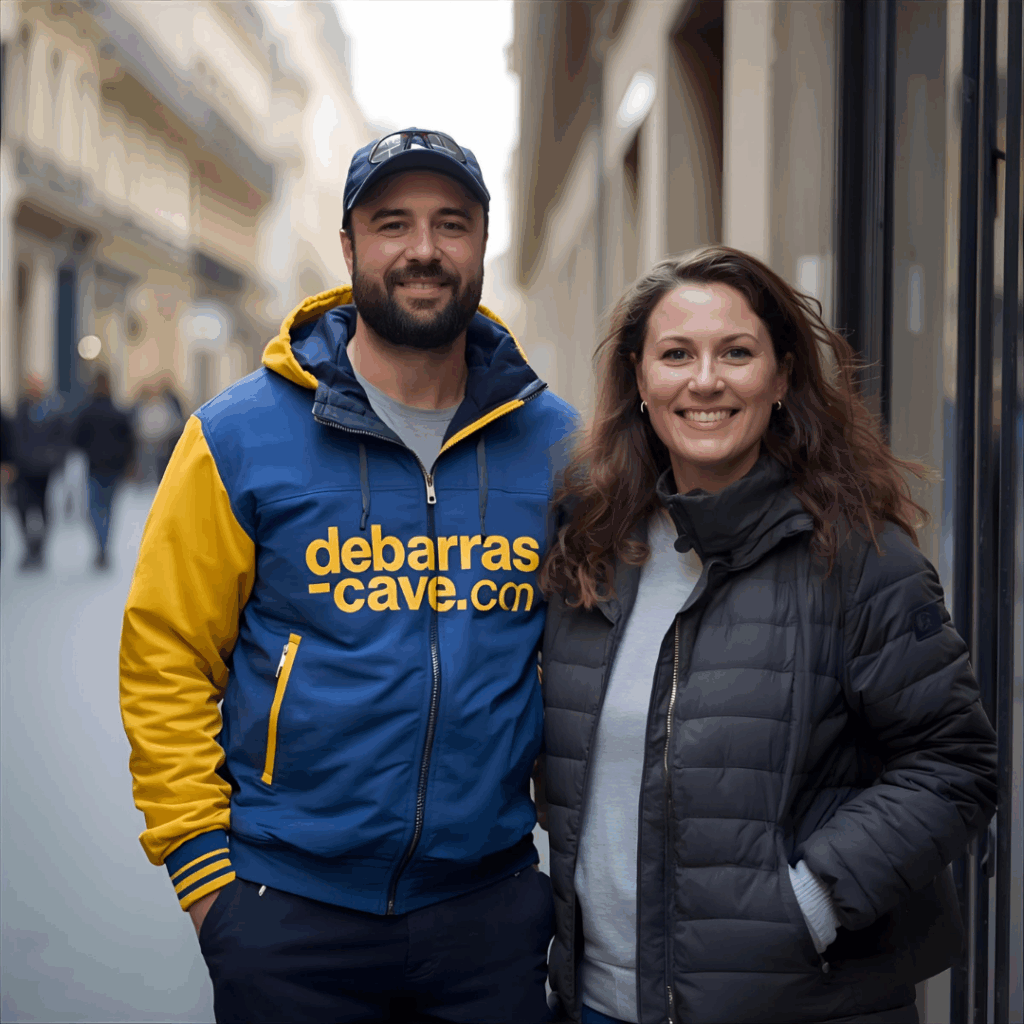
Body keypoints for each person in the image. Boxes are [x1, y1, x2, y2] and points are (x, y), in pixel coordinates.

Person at [120, 128, 575, 1024]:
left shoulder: (557, 445)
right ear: (349, 248)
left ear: (483, 242)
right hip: (287, 915)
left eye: (451, 224)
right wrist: (208, 883)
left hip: (487, 915)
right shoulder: (237, 435)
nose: (423, 250)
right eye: (392, 223)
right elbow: (167, 656)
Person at [538, 246, 998, 1024]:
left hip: (796, 1002)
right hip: (599, 1004)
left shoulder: (859, 558)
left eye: (737, 353)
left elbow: (955, 765)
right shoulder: (593, 550)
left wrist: (808, 904)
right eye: (676, 354)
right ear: (639, 382)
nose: (706, 380)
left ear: (782, 377)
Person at [73, 372, 135, 569]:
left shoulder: (87, 412)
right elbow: (130, 441)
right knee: (108, 509)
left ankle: (100, 547)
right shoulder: (118, 412)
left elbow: (77, 439)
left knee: (95, 509)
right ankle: (104, 546)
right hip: (114, 467)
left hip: (95, 466)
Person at [7, 375, 69, 570]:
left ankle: (39, 548)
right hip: (23, 468)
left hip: (44, 469)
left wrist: (55, 459)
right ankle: (29, 546)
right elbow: (13, 438)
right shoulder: (21, 411)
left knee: (44, 509)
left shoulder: (53, 411)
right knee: (22, 507)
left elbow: (62, 439)